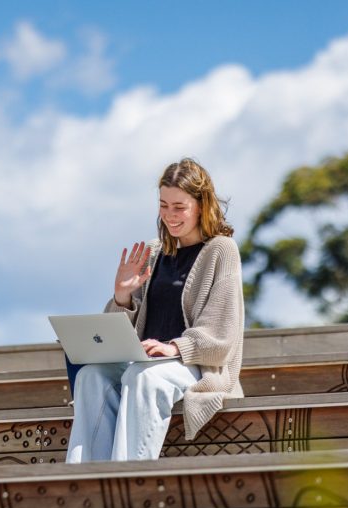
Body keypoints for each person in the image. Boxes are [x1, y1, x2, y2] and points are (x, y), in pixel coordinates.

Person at [66, 158, 244, 463]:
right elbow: (118, 334)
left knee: (144, 378)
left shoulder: (221, 250)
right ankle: (84, 481)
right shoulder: (152, 252)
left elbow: (222, 337)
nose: (169, 216)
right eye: (163, 205)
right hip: (142, 361)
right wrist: (122, 298)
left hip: (193, 365)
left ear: (201, 205)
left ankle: (127, 480)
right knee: (91, 376)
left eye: (179, 207)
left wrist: (173, 346)